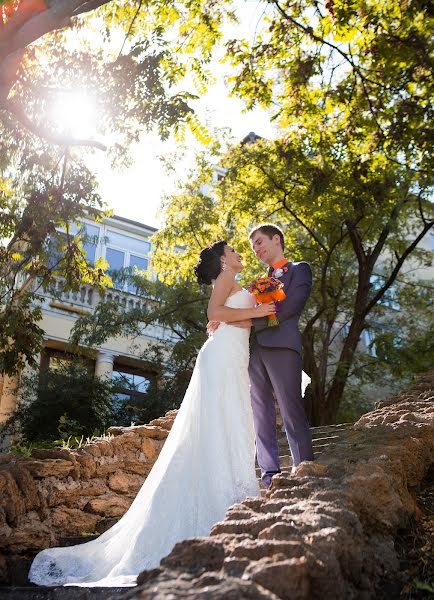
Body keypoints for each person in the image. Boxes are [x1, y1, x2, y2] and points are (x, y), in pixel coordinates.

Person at [28, 241, 275, 587]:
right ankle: (225, 500)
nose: (238, 254)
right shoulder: (225, 277)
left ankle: (233, 492)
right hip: (221, 359)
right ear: (223, 259)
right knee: (222, 425)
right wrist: (258, 312)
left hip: (233, 358)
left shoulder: (236, 282)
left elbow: (224, 317)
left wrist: (254, 311)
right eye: (234, 250)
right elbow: (214, 314)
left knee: (233, 425)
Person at [248, 224, 314, 487]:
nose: (257, 250)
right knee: (260, 414)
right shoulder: (258, 282)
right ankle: (269, 475)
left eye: (260, 242)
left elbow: (291, 306)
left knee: (290, 408)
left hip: (283, 346)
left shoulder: (300, 269)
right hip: (255, 352)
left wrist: (254, 320)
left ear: (277, 239)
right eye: (253, 247)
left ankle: (305, 466)